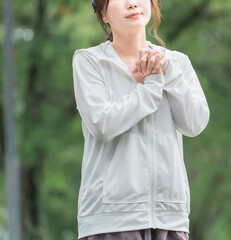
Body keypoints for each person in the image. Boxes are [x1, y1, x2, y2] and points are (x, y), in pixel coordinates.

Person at [71, 0, 210, 239]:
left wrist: (168, 72)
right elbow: (102, 125)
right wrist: (151, 87)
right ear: (103, 14)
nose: (132, 3)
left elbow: (195, 124)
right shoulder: (90, 61)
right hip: (111, 220)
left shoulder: (177, 63)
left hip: (170, 218)